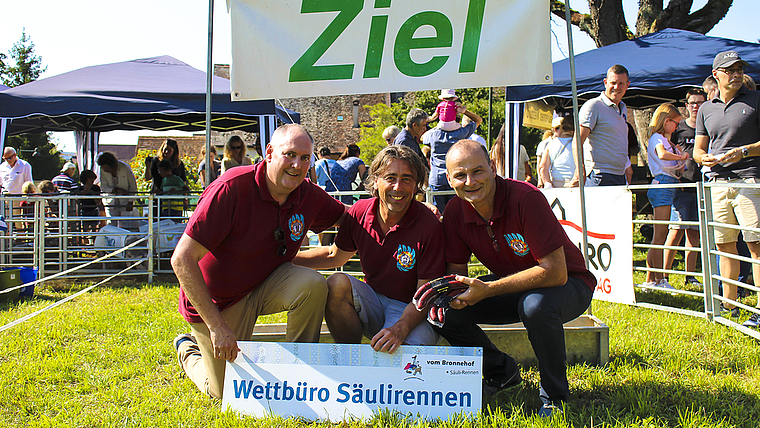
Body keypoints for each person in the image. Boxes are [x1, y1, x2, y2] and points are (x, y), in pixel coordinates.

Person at [170, 124, 346, 399]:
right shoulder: (231, 188)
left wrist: (410, 210)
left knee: (312, 284)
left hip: (265, 283)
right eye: (289, 155)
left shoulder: (308, 194)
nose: (297, 165)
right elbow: (181, 260)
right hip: (220, 301)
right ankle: (188, 349)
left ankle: (301, 374)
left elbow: (352, 218)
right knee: (225, 391)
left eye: (304, 158)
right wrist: (217, 327)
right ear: (269, 153)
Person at [438, 140, 595, 416]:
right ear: (449, 178)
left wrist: (487, 289)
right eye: (460, 175)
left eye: (478, 171)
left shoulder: (526, 197)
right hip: (516, 287)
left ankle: (555, 397)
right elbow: (457, 275)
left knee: (535, 306)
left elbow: (556, 272)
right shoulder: (454, 212)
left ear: (493, 168)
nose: (470, 181)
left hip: (571, 284)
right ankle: (501, 372)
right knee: (443, 310)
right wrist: (455, 296)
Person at [293, 145, 445, 353]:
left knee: (402, 356)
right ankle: (351, 359)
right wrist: (285, 258)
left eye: (407, 179)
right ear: (375, 180)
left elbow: (424, 295)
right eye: (390, 177)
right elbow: (333, 256)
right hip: (374, 301)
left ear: (416, 185)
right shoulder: (360, 212)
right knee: (336, 283)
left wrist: (400, 329)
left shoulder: (429, 225)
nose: (398, 187)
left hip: (412, 311)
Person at [694, 50, 760, 327]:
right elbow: (698, 149)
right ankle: (728, 307)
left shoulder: (757, 100)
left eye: (739, 69)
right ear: (716, 75)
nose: (735, 74)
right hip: (718, 184)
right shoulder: (706, 109)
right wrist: (702, 158)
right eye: (729, 70)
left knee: (756, 246)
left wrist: (744, 152)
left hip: (750, 181)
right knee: (725, 247)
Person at [662, 89, 707, 288]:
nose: (696, 106)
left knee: (694, 234)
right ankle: (664, 276)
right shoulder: (678, 129)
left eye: (700, 102)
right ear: (686, 106)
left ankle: (690, 276)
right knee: (676, 231)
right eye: (693, 103)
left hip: (701, 188)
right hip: (680, 188)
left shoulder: (707, 127)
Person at [641, 103, 687, 290]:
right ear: (666, 121)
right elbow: (662, 154)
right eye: (675, 123)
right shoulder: (657, 138)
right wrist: (681, 157)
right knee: (660, 236)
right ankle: (659, 280)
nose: (676, 127)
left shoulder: (663, 139)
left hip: (667, 185)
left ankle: (651, 279)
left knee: (659, 235)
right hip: (663, 185)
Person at [572, 64, 631, 187]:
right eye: (613, 83)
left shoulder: (623, 108)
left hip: (619, 175)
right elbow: (577, 141)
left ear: (627, 85)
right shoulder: (593, 106)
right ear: (605, 82)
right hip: (599, 175)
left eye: (621, 83)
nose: (616, 87)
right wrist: (580, 170)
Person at [424, 105, 483, 210]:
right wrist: (465, 111)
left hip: (437, 179)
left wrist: (437, 122)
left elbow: (422, 138)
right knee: (456, 213)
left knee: (436, 214)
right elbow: (478, 120)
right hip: (456, 178)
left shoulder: (433, 134)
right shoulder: (461, 133)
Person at [96, 152, 138, 229]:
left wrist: (130, 201)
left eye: (106, 168)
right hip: (110, 202)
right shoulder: (103, 170)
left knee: (126, 226)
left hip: (125, 201)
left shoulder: (125, 168)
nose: (105, 170)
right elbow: (104, 187)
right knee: (111, 226)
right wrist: (116, 190)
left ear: (111, 165)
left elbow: (133, 186)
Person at [540, 115, 576, 188]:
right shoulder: (579, 143)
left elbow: (543, 167)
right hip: (575, 183)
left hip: (556, 183)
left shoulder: (551, 144)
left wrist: (548, 183)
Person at [75, 169, 104, 238]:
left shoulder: (96, 188)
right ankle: (84, 242)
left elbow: (98, 201)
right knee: (84, 228)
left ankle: (94, 242)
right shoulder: (80, 189)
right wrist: (82, 195)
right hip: (84, 210)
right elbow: (77, 201)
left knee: (95, 227)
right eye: (90, 178)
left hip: (94, 209)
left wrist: (93, 194)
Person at [536, 118, 563, 187]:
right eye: (561, 128)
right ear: (555, 129)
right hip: (549, 181)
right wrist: (540, 180)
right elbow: (540, 163)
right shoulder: (544, 143)